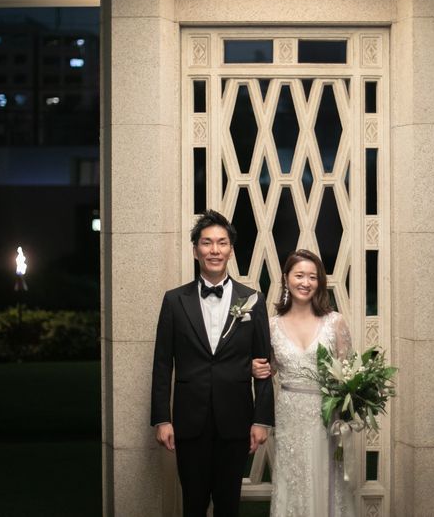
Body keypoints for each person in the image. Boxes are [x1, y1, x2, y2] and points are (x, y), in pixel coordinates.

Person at [151, 210, 274, 517]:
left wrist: (261, 420)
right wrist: (162, 419)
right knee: (192, 504)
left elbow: (263, 365)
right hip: (189, 420)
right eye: (207, 243)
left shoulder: (253, 301)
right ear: (196, 250)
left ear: (231, 250)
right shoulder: (174, 301)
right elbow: (162, 364)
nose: (214, 250)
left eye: (222, 243)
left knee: (228, 505)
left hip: (236, 419)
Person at [253, 249, 357, 517]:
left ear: (319, 282)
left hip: (326, 416)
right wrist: (254, 368)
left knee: (325, 478)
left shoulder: (335, 322)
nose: (306, 282)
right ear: (286, 278)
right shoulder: (271, 326)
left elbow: (350, 374)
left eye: (313, 277)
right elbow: (268, 368)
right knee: (293, 478)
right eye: (299, 275)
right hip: (289, 414)